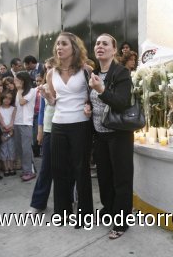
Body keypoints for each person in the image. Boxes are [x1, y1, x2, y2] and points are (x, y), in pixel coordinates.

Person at [42, 32, 93, 222]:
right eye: (57, 45)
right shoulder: (50, 73)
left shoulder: (85, 70)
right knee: (59, 169)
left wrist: (89, 106)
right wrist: (47, 97)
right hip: (58, 124)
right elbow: (55, 101)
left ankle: (85, 214)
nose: (59, 48)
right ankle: (62, 212)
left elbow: (92, 96)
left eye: (63, 44)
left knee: (81, 169)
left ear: (74, 47)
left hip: (81, 124)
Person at [87, 33, 134, 239]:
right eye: (97, 43)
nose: (100, 46)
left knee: (121, 178)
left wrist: (101, 90)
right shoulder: (94, 72)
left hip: (118, 134)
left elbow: (122, 102)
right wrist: (87, 105)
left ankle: (122, 221)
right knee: (104, 177)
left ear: (114, 50)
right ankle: (108, 211)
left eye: (105, 43)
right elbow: (93, 100)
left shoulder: (121, 72)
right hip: (99, 134)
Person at [28, 57, 56, 213]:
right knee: (46, 168)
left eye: (52, 66)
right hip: (48, 130)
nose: (49, 70)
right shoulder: (43, 88)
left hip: (66, 129)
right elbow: (41, 112)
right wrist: (40, 131)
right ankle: (38, 203)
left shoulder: (66, 87)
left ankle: (72, 199)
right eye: (47, 68)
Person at [12, 71, 37, 181]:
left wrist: (19, 90)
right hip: (17, 122)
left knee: (26, 148)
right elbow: (16, 107)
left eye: (17, 79)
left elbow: (22, 102)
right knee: (19, 148)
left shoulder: (31, 91)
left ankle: (29, 171)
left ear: (23, 81)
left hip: (26, 123)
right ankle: (27, 169)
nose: (15, 81)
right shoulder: (18, 91)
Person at [0, 90, 16, 176]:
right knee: (3, 151)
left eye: (9, 98)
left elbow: (14, 120)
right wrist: (2, 131)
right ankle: (6, 168)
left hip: (11, 133)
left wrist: (11, 130)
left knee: (11, 150)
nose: (7, 100)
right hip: (2, 133)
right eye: (5, 98)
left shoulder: (13, 109)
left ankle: (11, 167)